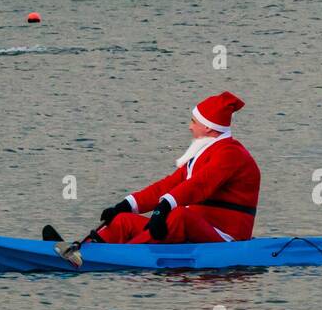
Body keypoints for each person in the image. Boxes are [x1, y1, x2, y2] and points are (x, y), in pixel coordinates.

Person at [89, 92, 260, 244]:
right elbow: (170, 184)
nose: (190, 126)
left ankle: (124, 253)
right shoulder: (205, 151)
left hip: (225, 235)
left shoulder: (231, 154)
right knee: (123, 219)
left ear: (207, 127)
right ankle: (86, 248)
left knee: (180, 216)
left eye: (194, 122)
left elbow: (199, 185)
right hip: (200, 227)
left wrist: (164, 206)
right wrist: (127, 205)